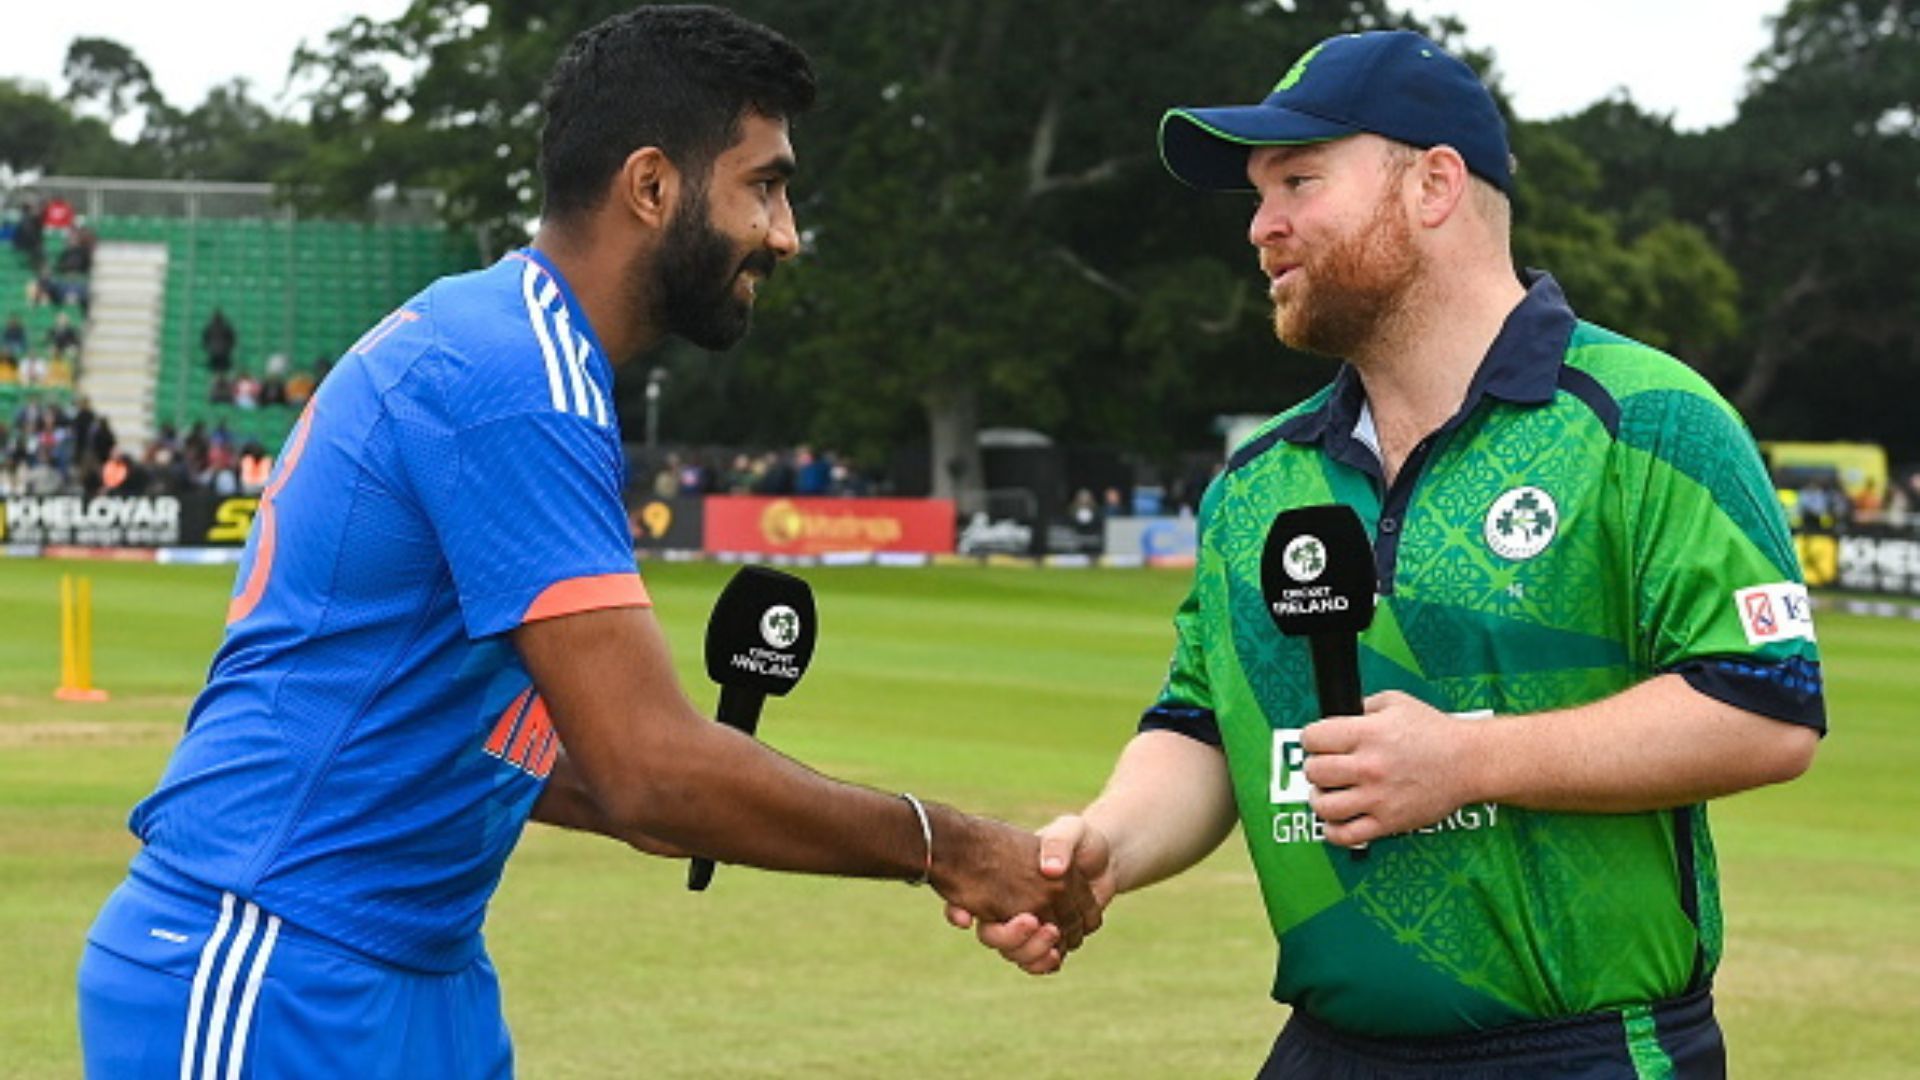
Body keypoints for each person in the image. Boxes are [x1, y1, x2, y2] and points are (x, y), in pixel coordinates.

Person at [77, 7, 1099, 1077]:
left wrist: (693, 794)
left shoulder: (512, 344)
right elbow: (650, 771)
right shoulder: (514, 373)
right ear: (652, 186)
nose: (785, 234)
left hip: (411, 968)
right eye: (763, 185)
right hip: (272, 959)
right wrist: (945, 845)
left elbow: (535, 751)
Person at [958, 30, 1823, 1079]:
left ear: (1434, 185)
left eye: (1299, 182)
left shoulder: (1650, 421)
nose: (1261, 226)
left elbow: (1767, 709)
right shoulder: (1258, 480)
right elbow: (1205, 724)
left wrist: (1468, 760)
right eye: (1257, 195)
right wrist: (1106, 850)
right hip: (1327, 1051)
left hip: (1586, 1053)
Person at [201, 308, 236, 374]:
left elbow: (232, 340)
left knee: (221, 369)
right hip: (218, 354)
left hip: (221, 354)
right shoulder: (210, 329)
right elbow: (205, 340)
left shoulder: (225, 329)